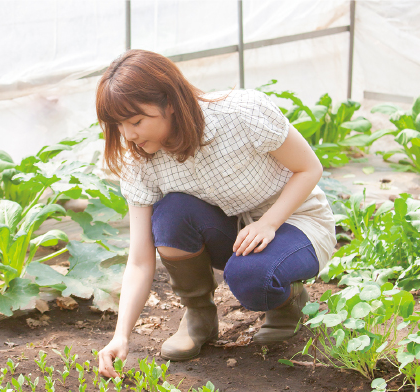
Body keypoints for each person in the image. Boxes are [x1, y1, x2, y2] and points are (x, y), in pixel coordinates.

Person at [94, 49, 336, 378]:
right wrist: (120, 336)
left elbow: (309, 168)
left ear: (170, 103)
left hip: (297, 219)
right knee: (170, 213)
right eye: (119, 125)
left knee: (251, 277)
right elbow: (139, 259)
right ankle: (199, 316)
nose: (128, 135)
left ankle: (286, 304)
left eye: (136, 121)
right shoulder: (138, 161)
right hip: (237, 228)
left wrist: (269, 222)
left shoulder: (241, 112)